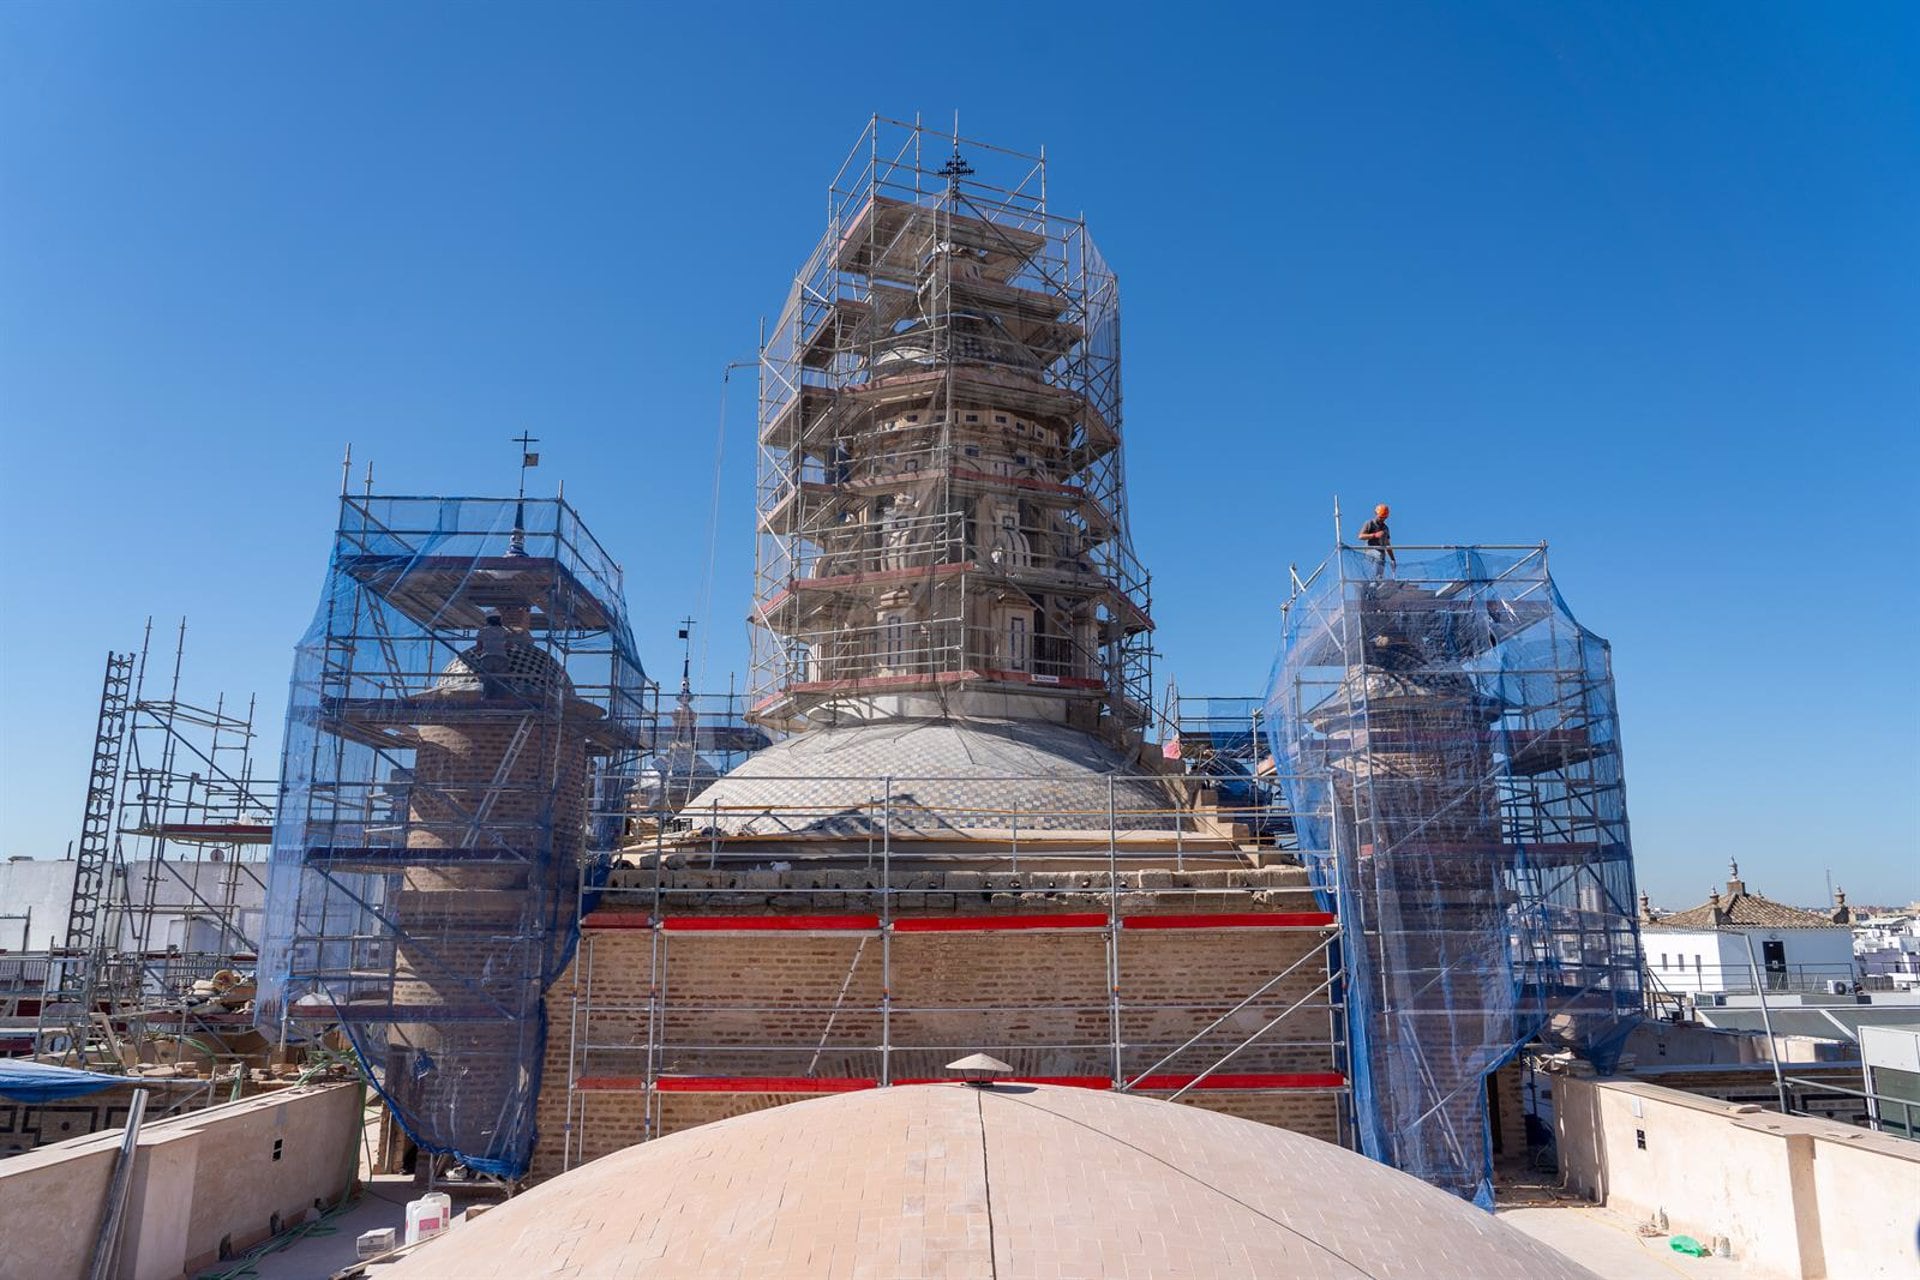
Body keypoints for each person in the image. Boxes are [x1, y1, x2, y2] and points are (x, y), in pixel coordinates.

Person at [1358, 504, 1395, 578]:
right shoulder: (1369, 523)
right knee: (1379, 555)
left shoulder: (1385, 528)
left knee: (1381, 555)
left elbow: (1387, 544)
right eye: (1381, 517)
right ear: (1376, 514)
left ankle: (1378, 579)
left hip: (1380, 553)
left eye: (1384, 518)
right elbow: (1360, 536)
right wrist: (1374, 535)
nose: (1382, 519)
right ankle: (1375, 579)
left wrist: (1392, 559)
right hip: (1370, 550)